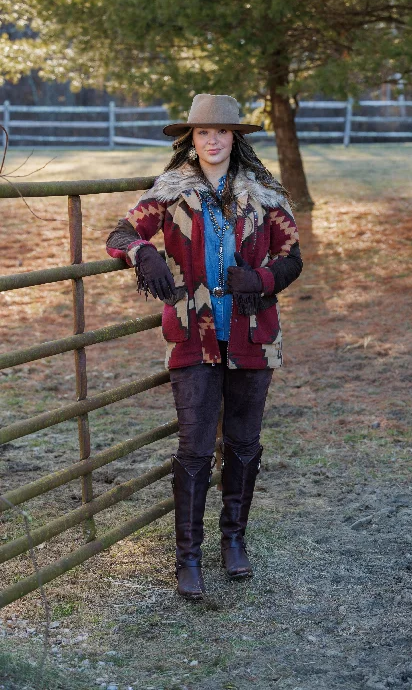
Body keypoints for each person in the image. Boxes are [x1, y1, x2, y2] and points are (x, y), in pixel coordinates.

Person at [106, 94, 303, 600]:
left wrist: (258, 279)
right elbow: (120, 232)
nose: (212, 140)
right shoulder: (170, 193)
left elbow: (291, 258)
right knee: (194, 449)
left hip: (252, 336)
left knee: (243, 444)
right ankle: (187, 557)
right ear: (190, 140)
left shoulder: (264, 195)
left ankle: (234, 541)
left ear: (235, 137)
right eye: (202, 133)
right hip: (193, 337)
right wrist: (142, 252)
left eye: (221, 132)